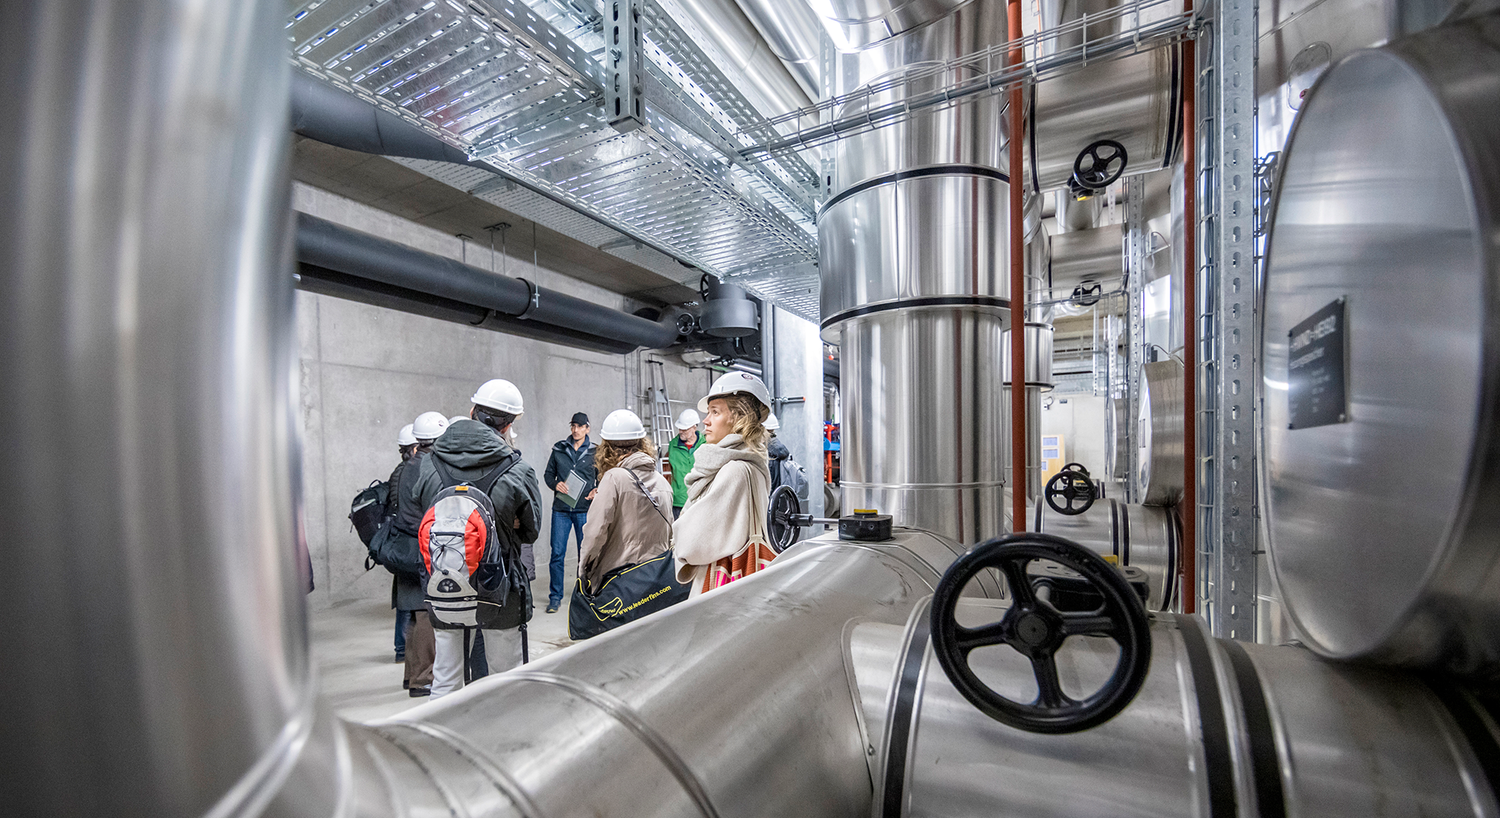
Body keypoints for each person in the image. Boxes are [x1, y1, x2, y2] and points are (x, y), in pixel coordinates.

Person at [411, 379, 541, 698]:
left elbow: (420, 513)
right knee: (504, 677)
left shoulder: (430, 465)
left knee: (445, 675)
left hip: (444, 583)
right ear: (509, 424)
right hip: (500, 588)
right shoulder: (517, 470)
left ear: (471, 412)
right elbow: (530, 531)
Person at [672, 372, 774, 596]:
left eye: (715, 412)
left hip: (720, 589)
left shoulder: (734, 471)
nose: (705, 421)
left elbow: (692, 544)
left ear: (739, 417)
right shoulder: (751, 464)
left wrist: (678, 532)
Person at [578, 410, 673, 592]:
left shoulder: (613, 478)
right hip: (657, 578)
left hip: (621, 580)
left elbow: (594, 533)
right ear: (642, 444)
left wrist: (584, 571)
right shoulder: (662, 481)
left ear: (607, 448)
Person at [387, 412, 447, 696]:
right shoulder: (430, 468)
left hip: (402, 547)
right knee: (425, 614)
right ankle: (423, 679)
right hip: (421, 548)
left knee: (412, 613)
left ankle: (411, 675)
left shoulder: (403, 468)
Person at [542, 412, 597, 613]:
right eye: (573, 426)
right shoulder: (559, 449)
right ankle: (555, 597)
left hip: (584, 510)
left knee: (585, 555)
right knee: (557, 554)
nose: (575, 430)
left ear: (587, 429)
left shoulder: (594, 452)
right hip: (561, 511)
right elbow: (548, 475)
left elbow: (604, 477)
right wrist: (556, 484)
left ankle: (584, 594)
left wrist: (596, 489)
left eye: (580, 426)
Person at [764, 413, 809, 506]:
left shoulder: (770, 454)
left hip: (769, 504)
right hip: (780, 502)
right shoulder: (779, 449)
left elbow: (770, 486)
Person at [667, 408, 702, 519]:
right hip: (678, 501)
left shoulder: (705, 444)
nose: (681, 431)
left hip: (699, 499)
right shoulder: (673, 445)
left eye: (684, 429)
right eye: (680, 428)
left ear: (694, 427)